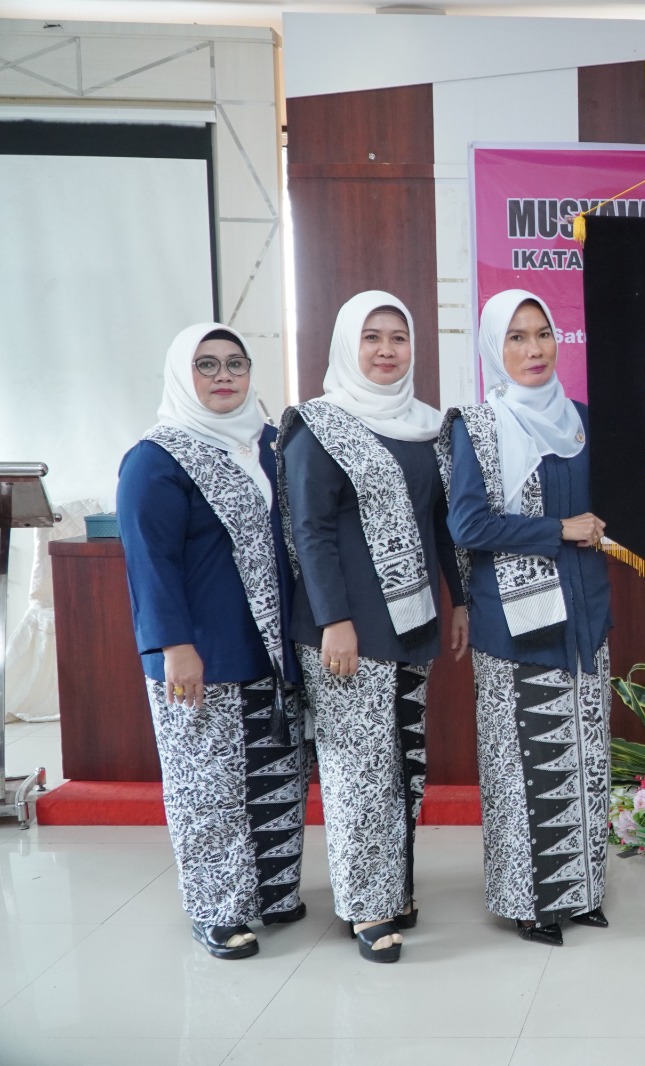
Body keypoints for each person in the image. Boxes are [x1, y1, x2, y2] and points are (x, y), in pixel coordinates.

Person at [280, 291, 467, 964]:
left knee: (403, 765)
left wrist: (461, 600)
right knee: (357, 772)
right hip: (346, 632)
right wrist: (335, 620)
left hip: (412, 624)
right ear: (346, 346)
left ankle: (394, 886)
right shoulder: (319, 426)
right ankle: (367, 906)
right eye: (371, 337)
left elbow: (443, 523)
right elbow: (310, 531)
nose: (386, 350)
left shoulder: (427, 427)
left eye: (398, 337)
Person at [118, 323, 305, 960]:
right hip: (200, 652)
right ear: (182, 374)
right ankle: (219, 910)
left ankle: (273, 893)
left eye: (235, 363)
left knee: (276, 773)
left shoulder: (272, 444)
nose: (224, 376)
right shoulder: (157, 457)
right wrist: (174, 645)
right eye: (206, 365)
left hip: (271, 647)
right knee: (209, 787)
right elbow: (150, 563)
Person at [443, 290, 612, 947]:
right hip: (514, 626)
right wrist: (557, 529)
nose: (534, 349)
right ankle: (527, 900)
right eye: (516, 337)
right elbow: (468, 524)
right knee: (525, 763)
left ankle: (582, 891)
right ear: (495, 348)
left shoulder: (583, 422)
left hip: (584, 618)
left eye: (543, 333)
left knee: (585, 756)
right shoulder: (480, 427)